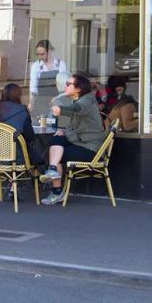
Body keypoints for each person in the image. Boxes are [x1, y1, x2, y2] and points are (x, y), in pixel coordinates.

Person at [40, 73, 105, 205]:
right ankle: (52, 169)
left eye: (68, 84)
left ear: (78, 89)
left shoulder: (87, 101)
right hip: (79, 142)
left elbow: (77, 109)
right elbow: (75, 125)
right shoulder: (78, 100)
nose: (65, 86)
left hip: (90, 148)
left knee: (57, 154)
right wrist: (64, 131)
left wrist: (61, 110)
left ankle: (57, 192)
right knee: (56, 140)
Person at [0, 83, 43, 167]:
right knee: (42, 159)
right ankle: (40, 177)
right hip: (18, 157)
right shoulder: (22, 111)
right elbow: (30, 136)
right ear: (18, 96)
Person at [29, 39, 67, 114]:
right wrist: (31, 102)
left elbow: (64, 86)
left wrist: (57, 99)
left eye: (42, 54)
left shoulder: (61, 64)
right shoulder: (35, 66)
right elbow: (33, 87)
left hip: (57, 100)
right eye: (38, 54)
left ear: (50, 51)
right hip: (41, 100)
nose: (40, 57)